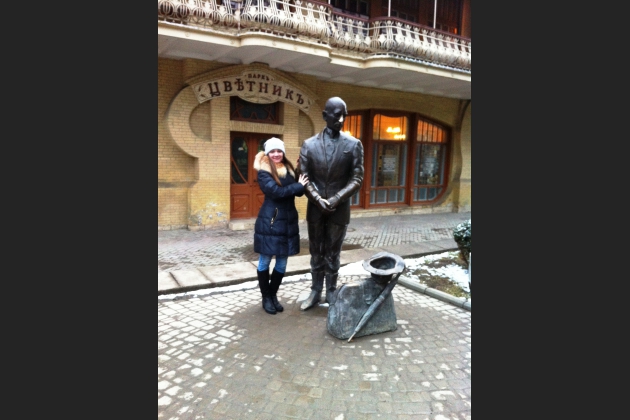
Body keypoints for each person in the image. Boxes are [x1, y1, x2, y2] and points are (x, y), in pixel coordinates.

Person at [297, 97, 364, 311]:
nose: (341, 120)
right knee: (316, 252)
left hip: (339, 209)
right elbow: (303, 177)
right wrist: (318, 200)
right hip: (315, 209)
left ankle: (331, 292)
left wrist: (336, 199)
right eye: (336, 115)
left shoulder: (353, 144)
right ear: (325, 116)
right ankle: (315, 291)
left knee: (333, 253)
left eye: (344, 115)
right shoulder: (309, 145)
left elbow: (357, 178)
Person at [254, 137, 309, 315]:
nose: (276, 154)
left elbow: (299, 192)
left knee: (282, 262)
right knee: (265, 260)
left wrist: (299, 175)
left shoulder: (289, 169)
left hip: (288, 220)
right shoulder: (264, 171)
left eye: (279, 151)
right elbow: (276, 192)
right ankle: (266, 297)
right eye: (272, 151)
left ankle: (273, 294)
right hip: (271, 220)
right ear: (267, 153)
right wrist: (298, 186)